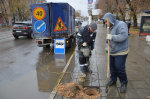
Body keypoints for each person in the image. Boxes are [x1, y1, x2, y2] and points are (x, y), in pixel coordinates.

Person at [103, 12, 129, 93]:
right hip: (112, 51)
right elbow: (108, 39)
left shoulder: (121, 24)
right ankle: (113, 80)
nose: (105, 22)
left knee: (119, 68)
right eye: (104, 21)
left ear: (111, 20)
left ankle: (124, 82)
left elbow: (124, 36)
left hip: (121, 51)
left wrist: (112, 37)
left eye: (106, 21)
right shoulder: (109, 27)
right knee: (112, 67)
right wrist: (106, 46)